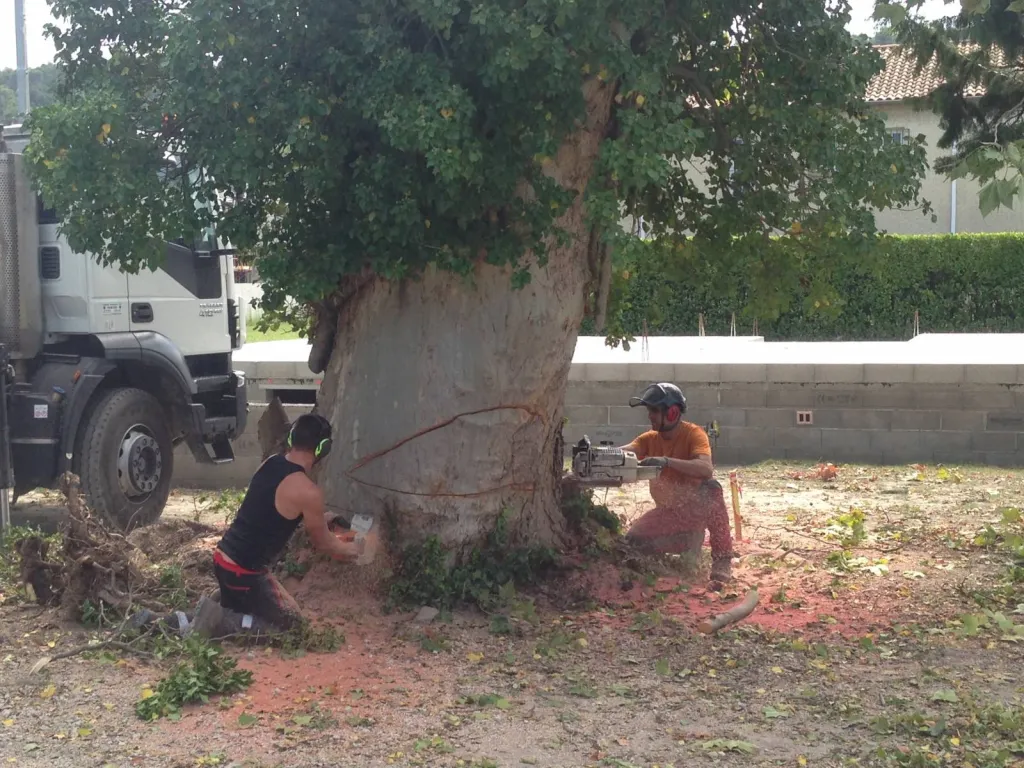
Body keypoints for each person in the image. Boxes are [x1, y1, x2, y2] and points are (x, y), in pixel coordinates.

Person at [191, 413, 375, 637]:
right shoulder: (308, 492)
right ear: (323, 448)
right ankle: (220, 620)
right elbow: (326, 545)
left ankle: (173, 620)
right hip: (245, 572)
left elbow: (271, 511)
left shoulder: (270, 464)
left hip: (223, 559)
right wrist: (356, 549)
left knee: (252, 608)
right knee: (291, 627)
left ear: (291, 439)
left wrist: (319, 518)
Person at [620, 382, 734, 588]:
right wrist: (597, 454)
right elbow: (625, 451)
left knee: (713, 488)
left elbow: (705, 468)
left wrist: (666, 461)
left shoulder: (694, 434)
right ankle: (685, 546)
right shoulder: (648, 439)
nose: (650, 416)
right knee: (632, 541)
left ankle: (722, 561)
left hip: (694, 509)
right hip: (668, 513)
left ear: (672, 413)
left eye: (654, 411)